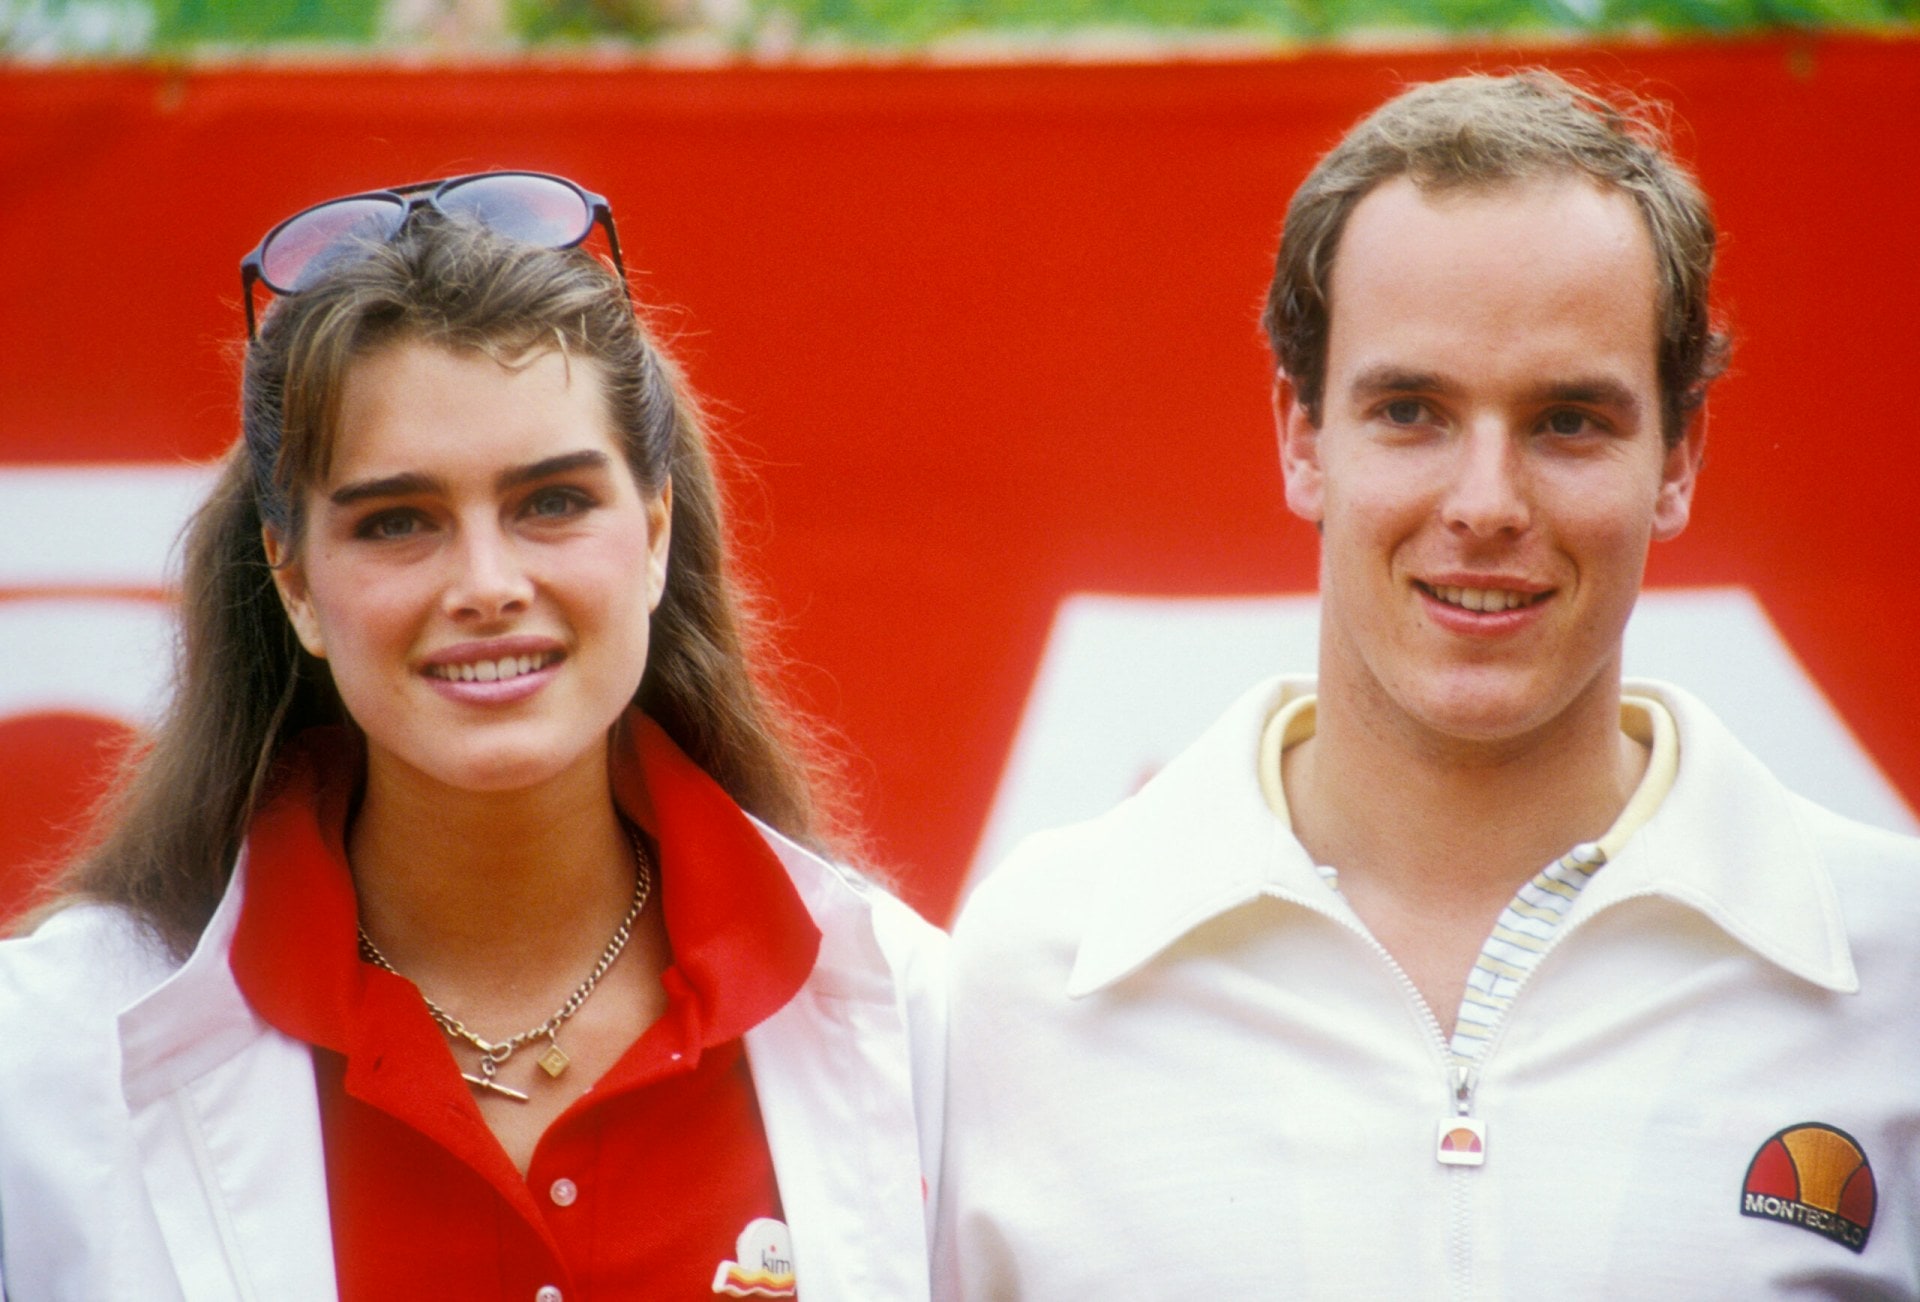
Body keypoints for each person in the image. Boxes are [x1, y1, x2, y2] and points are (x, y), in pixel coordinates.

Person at [937, 72, 1919, 1295]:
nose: (1486, 505)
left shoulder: (1897, 969)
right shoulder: (1030, 969)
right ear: (1302, 437)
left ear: (1679, 460)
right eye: (1411, 411)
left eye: (1568, 422)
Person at [0, 172, 944, 1300]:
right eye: (399, 521)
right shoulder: (44, 1063)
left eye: (552, 502)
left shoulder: (910, 1012)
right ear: (294, 579)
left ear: (651, 535)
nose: (488, 585)